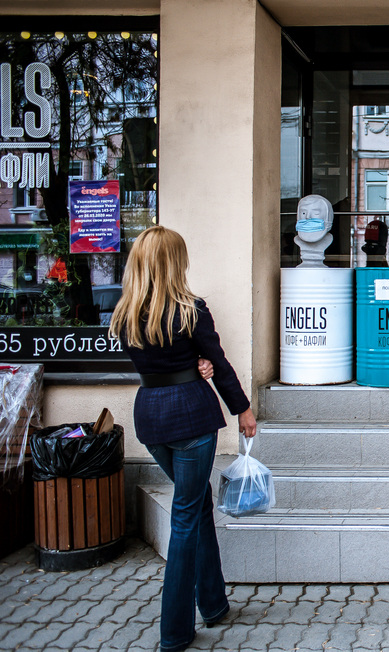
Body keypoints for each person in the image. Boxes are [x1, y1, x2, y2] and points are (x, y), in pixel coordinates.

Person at [109, 225, 257, 652]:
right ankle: (174, 633)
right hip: (191, 418)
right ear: (175, 262)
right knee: (186, 517)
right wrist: (242, 409)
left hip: (152, 420)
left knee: (196, 503)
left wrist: (196, 365)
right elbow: (218, 362)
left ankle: (213, 603)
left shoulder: (124, 314)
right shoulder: (191, 310)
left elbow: (163, 362)